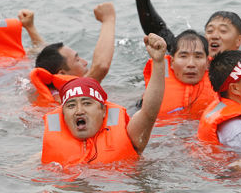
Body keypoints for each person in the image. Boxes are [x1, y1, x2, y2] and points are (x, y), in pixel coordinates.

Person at [41, 33, 166, 167]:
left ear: (104, 111)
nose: (79, 111)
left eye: (87, 103)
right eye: (71, 106)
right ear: (63, 115)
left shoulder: (130, 137)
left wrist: (158, 62)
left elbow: (149, 112)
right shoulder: (48, 154)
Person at [128, 0, 241, 58]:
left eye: (223, 31)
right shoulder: (190, 55)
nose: (214, 36)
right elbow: (159, 31)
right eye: (209, 31)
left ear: (238, 41)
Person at [29, 2, 117, 107]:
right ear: (62, 74)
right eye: (77, 60)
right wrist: (108, 19)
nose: (85, 62)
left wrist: (30, 28)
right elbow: (101, 66)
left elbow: (44, 53)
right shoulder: (70, 96)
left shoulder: (48, 92)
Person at [143, 29, 217, 121]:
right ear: (172, 62)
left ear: (207, 63)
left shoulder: (222, 88)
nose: (191, 64)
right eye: (183, 56)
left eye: (198, 57)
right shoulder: (153, 90)